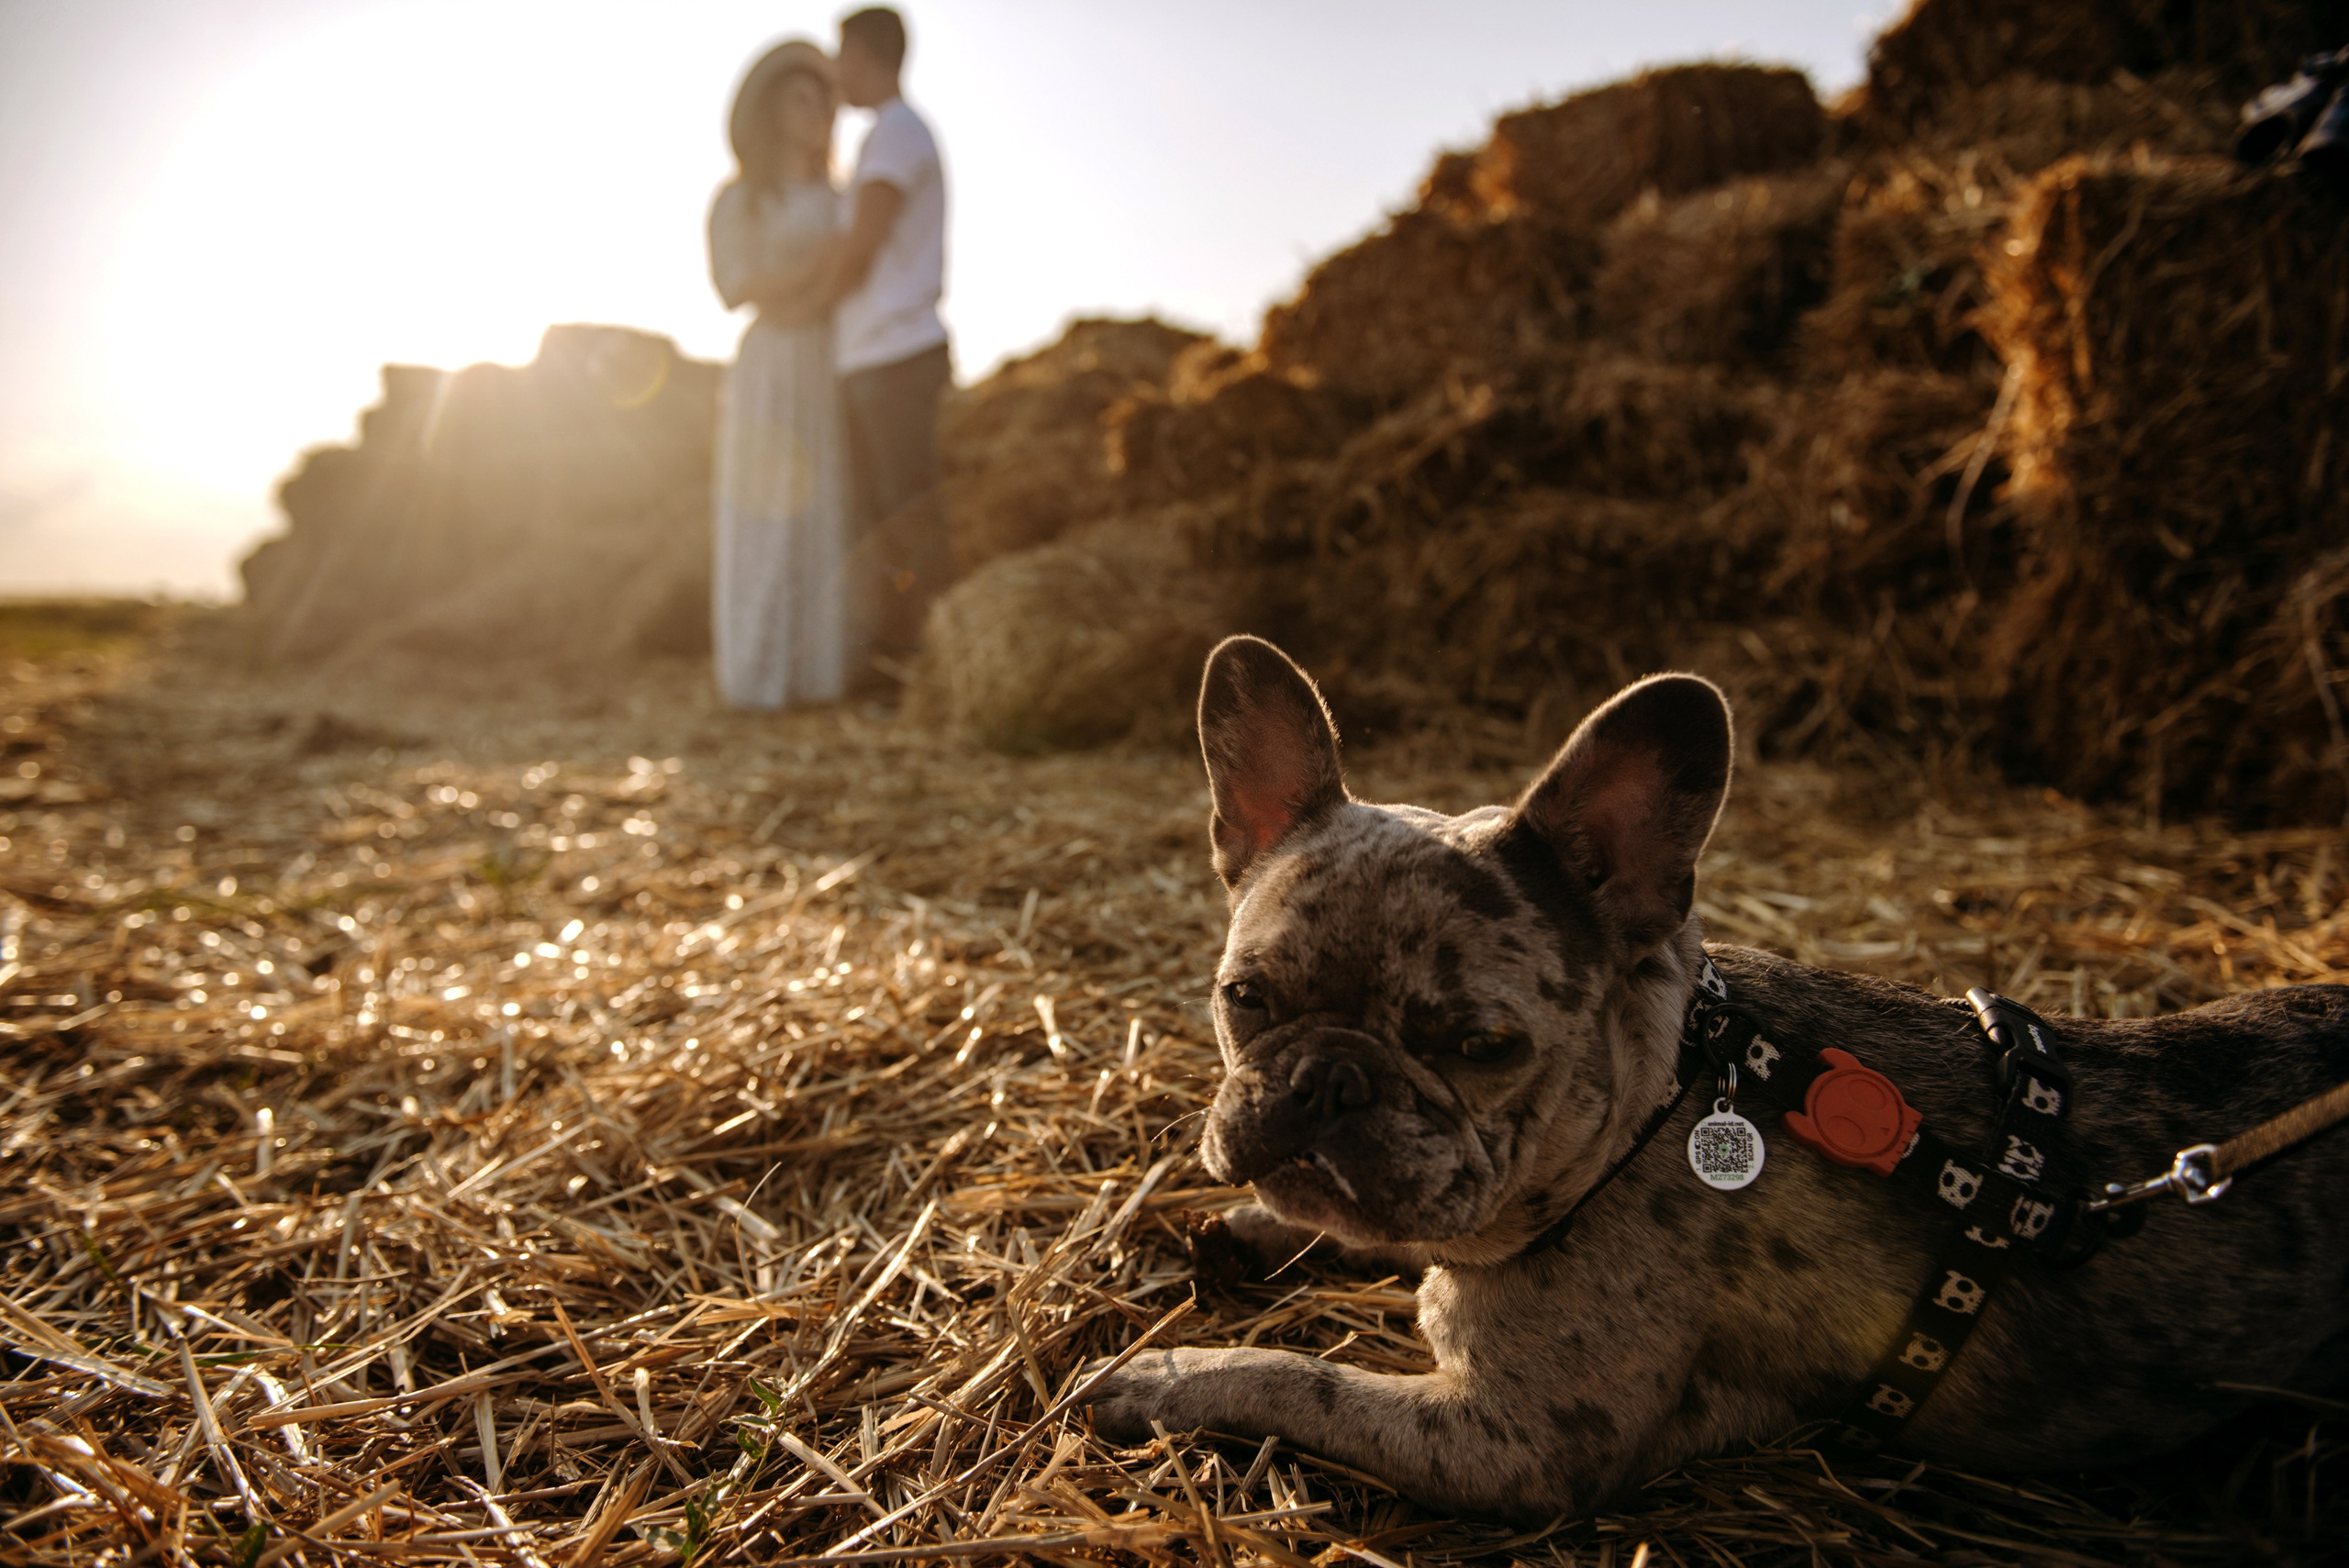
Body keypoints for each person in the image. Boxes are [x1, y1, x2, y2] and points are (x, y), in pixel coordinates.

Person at [707, 39, 852, 709]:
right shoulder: (742, 199)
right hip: (771, 364)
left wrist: (816, 285)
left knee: (826, 505)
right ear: (772, 111)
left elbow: (852, 269)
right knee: (766, 508)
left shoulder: (840, 193)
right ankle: (760, 675)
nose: (817, 109)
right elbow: (742, 288)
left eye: (823, 97)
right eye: (801, 97)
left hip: (828, 361)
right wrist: (812, 277)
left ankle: (819, 675)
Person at [828, 6, 953, 679]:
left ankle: (931, 665)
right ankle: (896, 661)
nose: (834, 70)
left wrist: (799, 304)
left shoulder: (898, 131)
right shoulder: (885, 136)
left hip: (895, 355)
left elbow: (862, 245)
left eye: (840, 54)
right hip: (872, 357)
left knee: (906, 514)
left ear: (868, 55)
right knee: (883, 517)